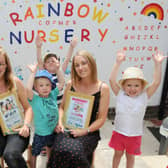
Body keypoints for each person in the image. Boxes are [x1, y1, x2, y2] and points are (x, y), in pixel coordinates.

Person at [47, 50, 110, 168]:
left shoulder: (103, 88)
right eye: (77, 65)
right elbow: (62, 108)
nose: (80, 68)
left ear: (91, 64)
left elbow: (101, 119)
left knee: (74, 151)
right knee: (58, 150)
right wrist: (60, 122)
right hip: (67, 127)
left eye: (84, 63)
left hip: (89, 131)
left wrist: (85, 131)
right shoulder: (71, 84)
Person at [108, 49, 167, 168]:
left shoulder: (144, 96)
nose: (132, 88)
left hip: (134, 135)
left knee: (130, 157)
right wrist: (118, 62)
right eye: (129, 85)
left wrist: (158, 64)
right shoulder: (120, 94)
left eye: (136, 85)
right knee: (117, 154)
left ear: (142, 87)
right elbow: (111, 80)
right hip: (119, 132)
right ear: (123, 86)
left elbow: (156, 82)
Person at [0, 47, 33, 168]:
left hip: (17, 128)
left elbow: (28, 108)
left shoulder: (15, 82)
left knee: (11, 155)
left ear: (6, 65)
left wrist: (26, 126)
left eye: (1, 64)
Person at [26, 64, 64, 168]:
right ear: (36, 88)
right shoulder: (35, 99)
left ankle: (50, 165)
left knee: (50, 150)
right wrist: (33, 73)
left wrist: (57, 69)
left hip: (53, 130)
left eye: (47, 85)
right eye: (41, 86)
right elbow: (28, 89)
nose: (45, 88)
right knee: (35, 153)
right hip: (41, 134)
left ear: (51, 86)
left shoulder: (52, 95)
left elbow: (61, 83)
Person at [36, 34, 78, 105]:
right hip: (48, 103)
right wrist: (38, 47)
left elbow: (67, 59)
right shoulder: (44, 73)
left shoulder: (60, 71)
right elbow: (39, 61)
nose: (50, 63)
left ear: (58, 63)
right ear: (44, 66)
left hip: (60, 103)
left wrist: (71, 47)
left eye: (53, 61)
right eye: (48, 62)